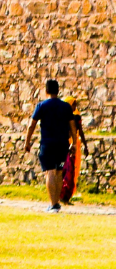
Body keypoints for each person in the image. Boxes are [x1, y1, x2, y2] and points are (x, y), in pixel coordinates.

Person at [27, 78, 86, 210]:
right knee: (59, 172)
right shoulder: (65, 107)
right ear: (58, 90)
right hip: (62, 145)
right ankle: (57, 203)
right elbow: (72, 126)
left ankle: (53, 203)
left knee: (50, 172)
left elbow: (31, 125)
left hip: (47, 145)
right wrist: (74, 144)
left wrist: (27, 142)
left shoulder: (41, 106)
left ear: (46, 90)